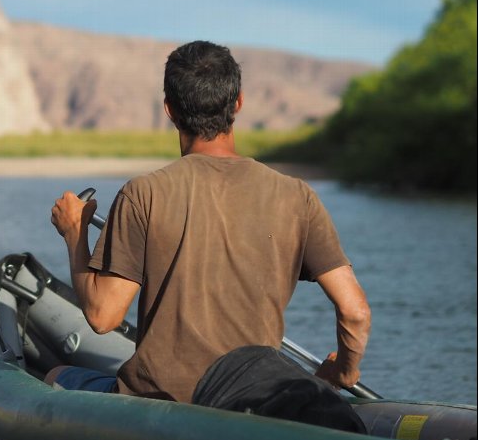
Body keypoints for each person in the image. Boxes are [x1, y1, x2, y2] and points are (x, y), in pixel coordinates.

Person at [47, 40, 371, 403]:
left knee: (54, 374)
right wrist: (344, 371)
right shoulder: (298, 196)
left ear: (169, 110)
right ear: (238, 103)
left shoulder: (143, 194)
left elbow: (103, 316)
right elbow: (355, 312)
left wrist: (75, 235)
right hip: (254, 402)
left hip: (161, 403)